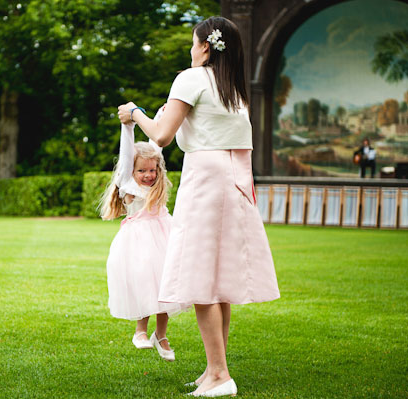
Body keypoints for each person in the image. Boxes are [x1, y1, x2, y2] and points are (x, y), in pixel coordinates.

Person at [118, 16, 280, 397]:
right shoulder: (234, 92)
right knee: (219, 282)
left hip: (206, 178)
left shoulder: (190, 78)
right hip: (234, 179)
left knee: (200, 276)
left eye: (194, 43)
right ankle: (213, 371)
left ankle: (221, 376)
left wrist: (134, 113)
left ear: (205, 46)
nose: (191, 49)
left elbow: (161, 135)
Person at [99, 115, 187, 362]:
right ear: (131, 170)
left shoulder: (157, 184)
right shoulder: (128, 183)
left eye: (152, 170)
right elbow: (126, 154)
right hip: (138, 240)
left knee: (165, 283)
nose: (148, 175)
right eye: (142, 170)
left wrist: (160, 118)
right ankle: (140, 330)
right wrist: (127, 126)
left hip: (164, 235)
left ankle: (160, 335)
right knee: (145, 282)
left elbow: (157, 142)